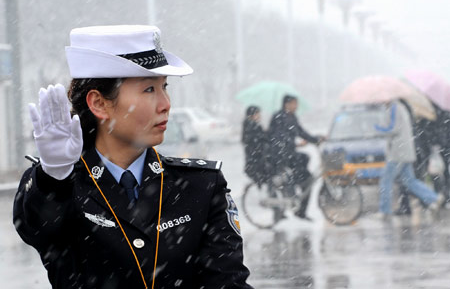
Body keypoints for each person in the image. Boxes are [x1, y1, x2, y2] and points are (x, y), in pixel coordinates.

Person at [13, 25, 253, 289]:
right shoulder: (63, 187)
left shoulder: (201, 186)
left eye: (165, 87)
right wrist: (55, 174)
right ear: (99, 103)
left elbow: (227, 283)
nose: (165, 103)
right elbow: (36, 226)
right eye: (149, 90)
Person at [375, 100, 442, 219]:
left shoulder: (394, 108)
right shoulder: (398, 107)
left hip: (398, 152)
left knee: (386, 180)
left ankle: (385, 210)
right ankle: (433, 198)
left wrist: (378, 128)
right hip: (404, 151)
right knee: (409, 181)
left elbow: (393, 128)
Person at [268, 95, 322, 221]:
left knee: (307, 170)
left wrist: (315, 139)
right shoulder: (279, 117)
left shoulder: (291, 117)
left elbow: (300, 131)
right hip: (280, 155)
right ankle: (293, 197)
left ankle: (300, 209)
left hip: (288, 153)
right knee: (305, 175)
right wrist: (293, 143)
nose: (296, 106)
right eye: (294, 104)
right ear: (287, 104)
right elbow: (278, 137)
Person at [242, 106, 268, 186]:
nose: (259, 116)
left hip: (252, 164)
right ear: (251, 115)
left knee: (261, 183)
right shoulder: (254, 126)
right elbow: (260, 141)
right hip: (257, 163)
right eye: (257, 113)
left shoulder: (248, 126)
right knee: (268, 177)